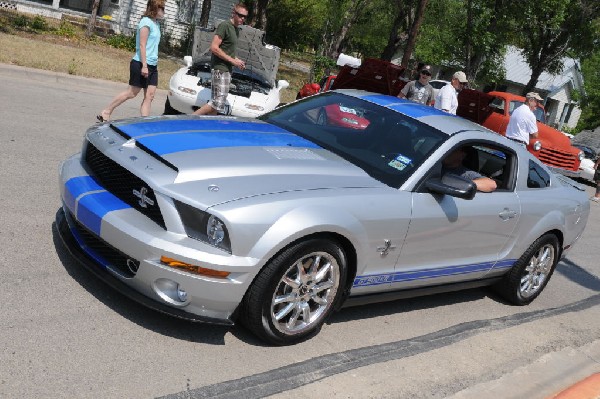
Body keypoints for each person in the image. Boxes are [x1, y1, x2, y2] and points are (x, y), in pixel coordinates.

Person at [97, 0, 165, 122]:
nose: (163, 11)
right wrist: (144, 66)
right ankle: (107, 111)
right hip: (141, 63)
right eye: (161, 8)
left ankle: (145, 123)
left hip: (153, 65)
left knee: (150, 96)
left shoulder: (156, 24)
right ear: (155, 9)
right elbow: (142, 45)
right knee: (132, 93)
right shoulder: (145, 22)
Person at [193, 3, 248, 116]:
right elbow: (214, 47)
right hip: (220, 69)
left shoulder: (236, 30)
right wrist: (233, 61)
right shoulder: (225, 26)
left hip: (227, 69)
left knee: (217, 106)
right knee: (217, 103)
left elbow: (228, 52)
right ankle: (189, 119)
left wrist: (237, 61)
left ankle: (210, 129)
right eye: (240, 15)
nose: (242, 18)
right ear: (233, 13)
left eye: (245, 16)